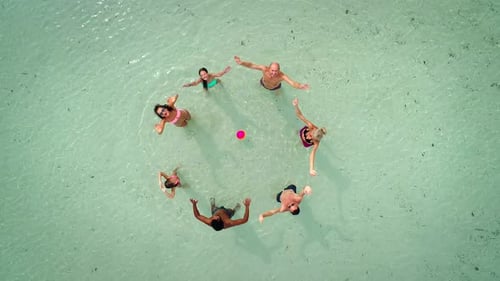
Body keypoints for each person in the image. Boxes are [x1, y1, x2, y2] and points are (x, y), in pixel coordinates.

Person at [233, 55, 309, 91]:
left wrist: (300, 86)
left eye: (276, 71)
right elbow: (252, 65)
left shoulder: (281, 76)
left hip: (275, 88)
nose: (274, 73)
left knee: (278, 95)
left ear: (279, 70)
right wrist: (241, 63)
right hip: (262, 83)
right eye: (272, 70)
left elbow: (292, 83)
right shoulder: (264, 69)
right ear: (269, 69)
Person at [292, 97, 326, 176]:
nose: (309, 138)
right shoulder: (310, 126)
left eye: (312, 139)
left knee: (297, 145)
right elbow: (300, 115)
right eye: (310, 135)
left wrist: (311, 168)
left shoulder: (316, 143)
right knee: (295, 133)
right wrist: (296, 106)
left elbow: (312, 154)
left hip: (303, 143)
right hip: (299, 133)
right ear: (312, 130)